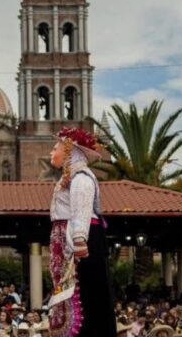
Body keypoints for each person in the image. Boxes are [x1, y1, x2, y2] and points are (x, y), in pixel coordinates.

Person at [47, 127, 115, 337]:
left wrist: (79, 240)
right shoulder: (70, 178)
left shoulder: (82, 178)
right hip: (70, 237)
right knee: (74, 289)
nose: (51, 152)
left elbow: (82, 209)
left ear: (70, 150)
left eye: (55, 147)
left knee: (87, 291)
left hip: (81, 240)